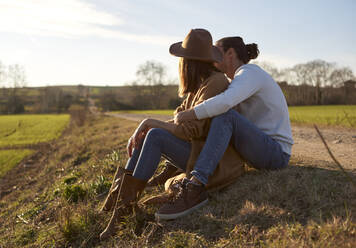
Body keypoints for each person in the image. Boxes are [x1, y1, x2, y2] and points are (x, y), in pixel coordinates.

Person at [99, 29, 245, 240]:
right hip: (196, 150)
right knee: (151, 132)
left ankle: (123, 208)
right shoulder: (200, 85)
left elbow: (188, 130)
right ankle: (119, 203)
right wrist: (147, 125)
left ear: (187, 62)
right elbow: (179, 120)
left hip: (213, 162)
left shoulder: (215, 83)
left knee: (155, 134)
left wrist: (150, 123)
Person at [155, 36, 294, 219]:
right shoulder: (235, 81)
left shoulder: (249, 73)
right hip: (258, 149)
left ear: (230, 54)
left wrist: (187, 114)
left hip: (276, 153)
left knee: (225, 114)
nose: (211, 58)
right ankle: (176, 168)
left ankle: (196, 186)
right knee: (218, 116)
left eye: (216, 53)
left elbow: (224, 103)